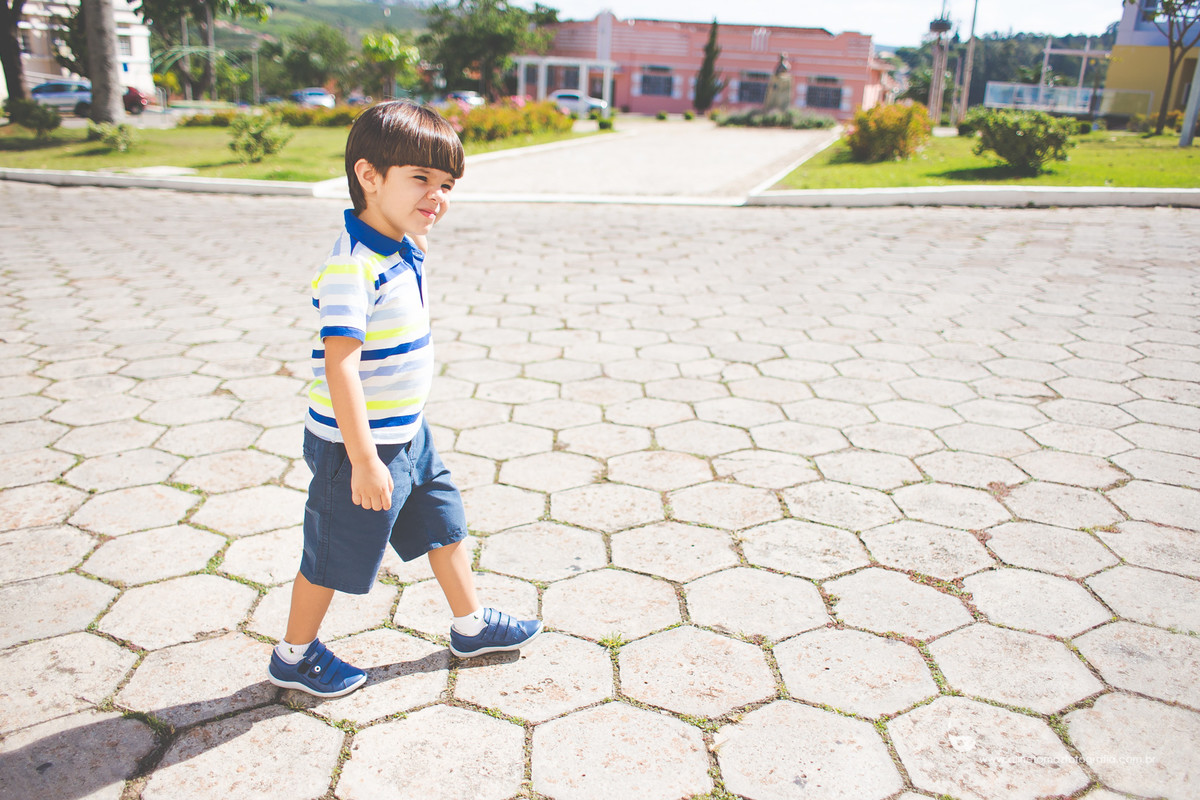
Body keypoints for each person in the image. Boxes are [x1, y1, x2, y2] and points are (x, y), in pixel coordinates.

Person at [267, 101, 543, 698]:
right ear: (370, 175)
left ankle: (469, 625)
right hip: (357, 447)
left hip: (409, 434)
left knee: (445, 525)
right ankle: (293, 654)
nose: (436, 196)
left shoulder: (403, 243)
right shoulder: (353, 266)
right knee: (331, 553)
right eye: (420, 178)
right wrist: (365, 461)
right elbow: (338, 367)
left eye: (444, 185)